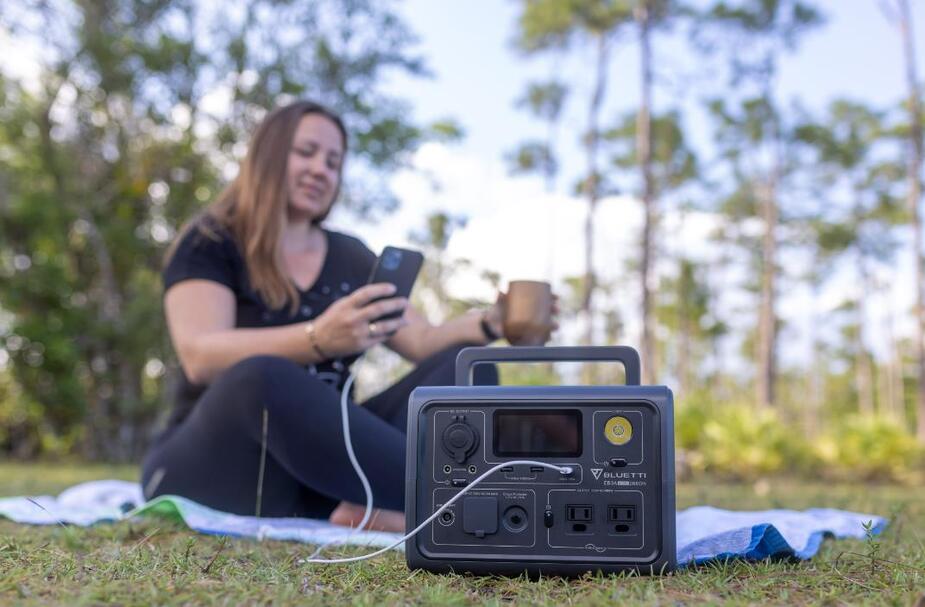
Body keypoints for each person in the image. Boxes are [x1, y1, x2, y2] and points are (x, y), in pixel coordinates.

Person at [141, 100, 552, 532]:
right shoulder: (212, 240)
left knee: (464, 366)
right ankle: (481, 504)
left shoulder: (349, 256)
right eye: (306, 152)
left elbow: (421, 340)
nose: (321, 169)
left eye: (333, 162)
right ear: (268, 154)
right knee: (261, 377)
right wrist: (319, 337)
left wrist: (492, 323)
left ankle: (388, 508)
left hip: (322, 468)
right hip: (214, 461)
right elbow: (199, 356)